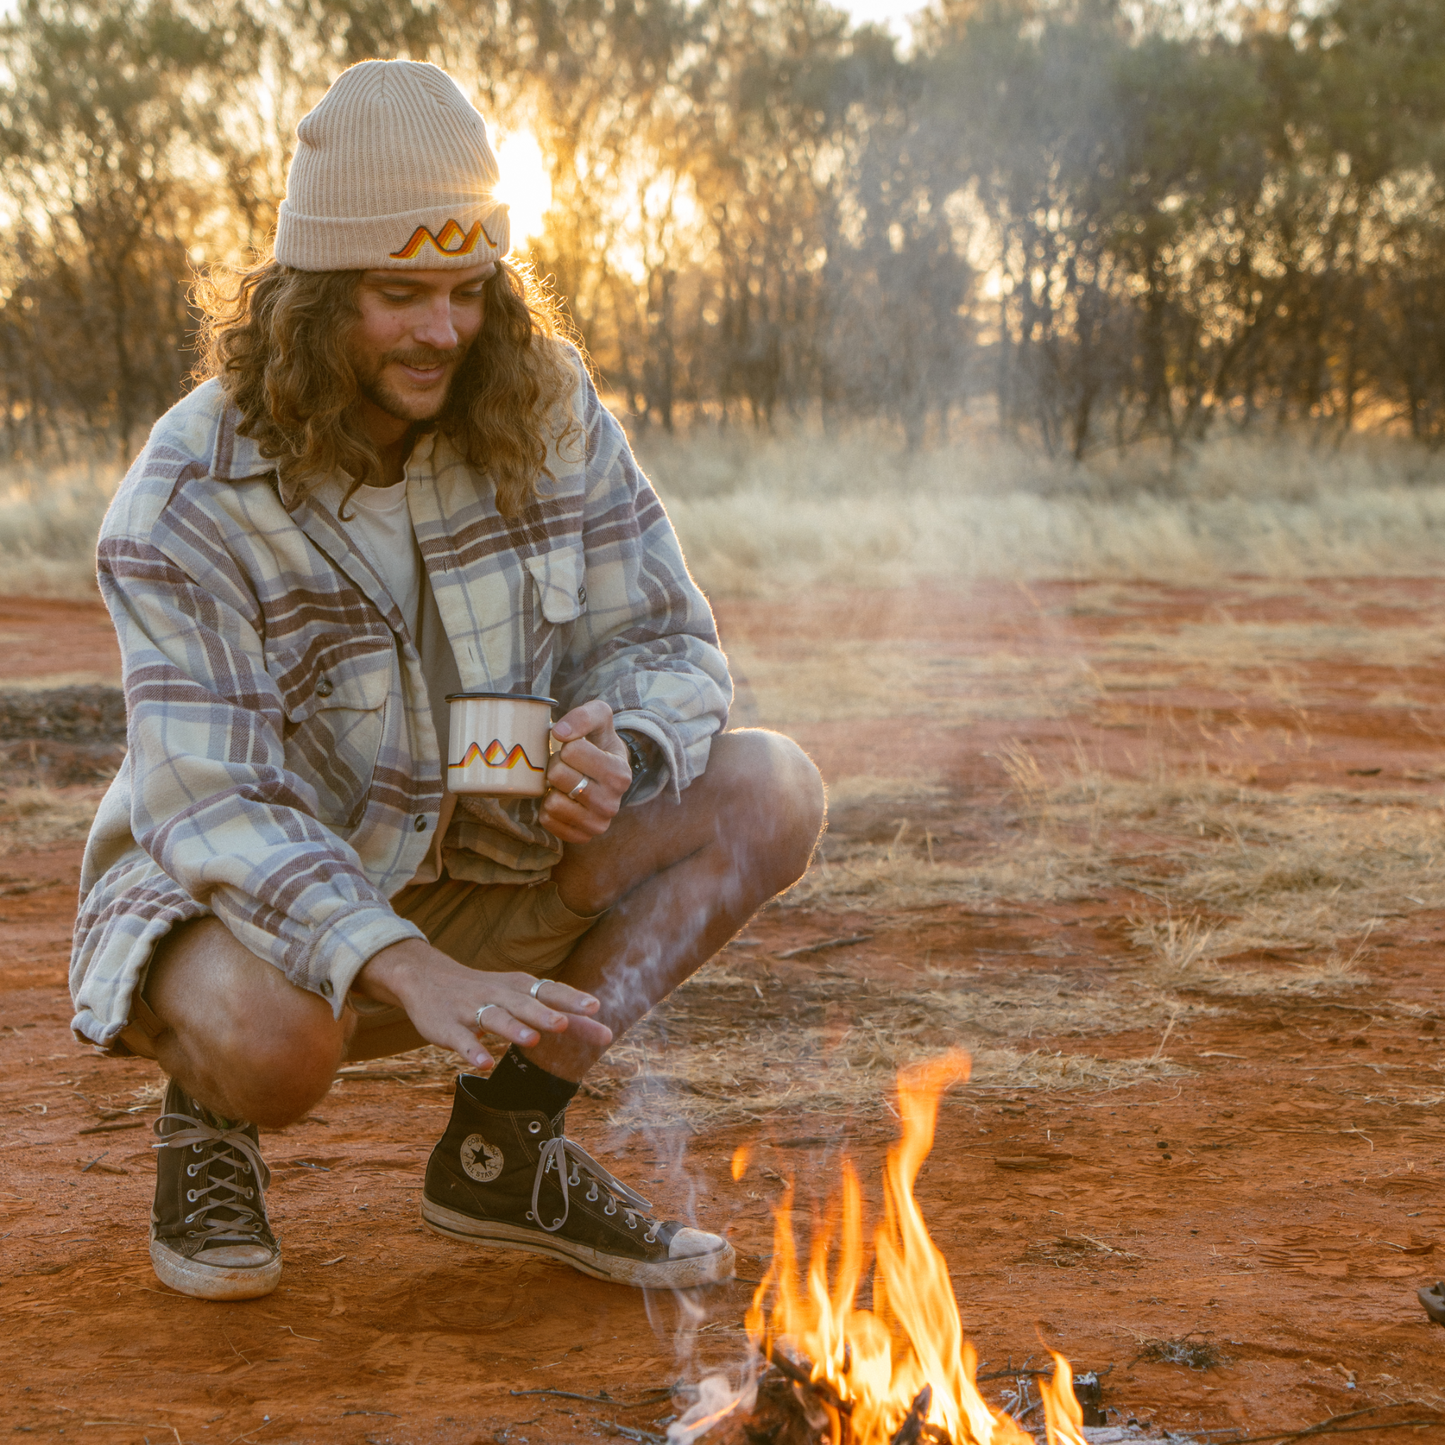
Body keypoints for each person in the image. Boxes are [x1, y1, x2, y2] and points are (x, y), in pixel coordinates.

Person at [69, 58, 825, 1302]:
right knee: (279, 1043)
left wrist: (620, 748)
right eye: (398, 293)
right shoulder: (184, 498)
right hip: (236, 910)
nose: (443, 330)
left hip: (483, 863)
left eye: (469, 290)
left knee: (769, 788)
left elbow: (670, 643)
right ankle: (208, 1116)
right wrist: (403, 964)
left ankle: (503, 1142)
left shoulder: (546, 405)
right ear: (308, 298)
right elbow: (210, 806)